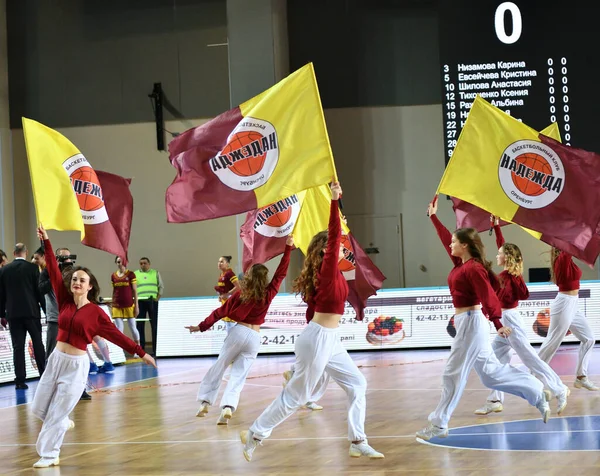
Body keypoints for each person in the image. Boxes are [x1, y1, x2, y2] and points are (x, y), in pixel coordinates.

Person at [241, 182, 384, 462]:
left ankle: (357, 441)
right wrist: (333, 200)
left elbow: (313, 314)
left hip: (326, 339)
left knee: (357, 385)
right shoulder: (328, 269)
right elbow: (333, 236)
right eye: (338, 245)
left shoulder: (334, 275)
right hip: (319, 338)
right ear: (325, 250)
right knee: (296, 397)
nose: (343, 247)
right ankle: (255, 433)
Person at [415, 197, 552, 441]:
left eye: (455, 242)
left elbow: (488, 296)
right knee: (490, 373)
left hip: (470, 321)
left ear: (466, 245)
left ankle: (439, 424)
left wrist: (498, 323)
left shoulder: (473, 268)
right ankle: (537, 392)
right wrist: (434, 217)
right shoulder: (462, 263)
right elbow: (446, 237)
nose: (450, 245)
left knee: (452, 374)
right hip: (468, 322)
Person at [31, 225, 156, 468]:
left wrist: (142, 353)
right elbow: (55, 271)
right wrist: (46, 241)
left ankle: (49, 454)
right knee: (38, 408)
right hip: (56, 359)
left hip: (76, 366)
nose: (77, 282)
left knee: (57, 413)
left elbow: (118, 337)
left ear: (90, 286)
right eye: (75, 279)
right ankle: (63, 423)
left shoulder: (96, 314)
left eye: (82, 280)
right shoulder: (64, 299)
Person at [185, 236, 294, 425]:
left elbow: (220, 311)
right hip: (255, 337)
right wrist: (288, 248)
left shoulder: (241, 293)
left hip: (238, 332)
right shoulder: (269, 292)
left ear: (250, 276)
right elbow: (281, 273)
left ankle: (205, 402)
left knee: (220, 366)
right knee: (239, 375)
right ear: (265, 278)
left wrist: (201, 326)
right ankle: (227, 407)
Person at [474, 219, 569, 416]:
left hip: (510, 322)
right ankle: (494, 399)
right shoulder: (508, 275)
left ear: (506, 258)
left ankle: (559, 389)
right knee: (495, 358)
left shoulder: (508, 277)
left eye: (500, 254)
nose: (497, 255)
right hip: (508, 320)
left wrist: (486, 313)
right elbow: (504, 246)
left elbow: (509, 299)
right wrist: (497, 227)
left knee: (530, 358)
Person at [537, 247, 598, 391]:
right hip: (563, 303)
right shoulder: (561, 260)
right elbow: (572, 245)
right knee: (552, 342)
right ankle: (533, 376)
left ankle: (581, 377)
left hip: (573, 303)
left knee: (589, 339)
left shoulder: (566, 260)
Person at [0, 243, 46, 389]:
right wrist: (45, 310)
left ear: (14, 253)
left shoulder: (4, 270)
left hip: (13, 314)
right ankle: (43, 375)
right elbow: (39, 292)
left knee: (18, 347)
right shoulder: (33, 268)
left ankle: (20, 380)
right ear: (26, 253)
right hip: (32, 313)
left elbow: (1, 295)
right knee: (38, 344)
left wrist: (2, 315)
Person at [135, 257, 164, 355]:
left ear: (149, 264)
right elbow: (132, 288)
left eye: (145, 263)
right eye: (141, 263)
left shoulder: (155, 273)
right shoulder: (135, 274)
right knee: (139, 325)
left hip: (152, 301)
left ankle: (156, 349)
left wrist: (157, 298)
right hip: (140, 302)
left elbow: (161, 286)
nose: (143, 265)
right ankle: (141, 348)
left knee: (155, 325)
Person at [111, 256, 141, 350]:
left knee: (133, 328)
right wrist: (112, 303)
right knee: (119, 329)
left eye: (122, 262)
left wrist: (136, 306)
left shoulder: (131, 274)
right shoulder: (113, 276)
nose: (121, 264)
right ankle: (119, 350)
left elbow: (135, 291)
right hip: (117, 305)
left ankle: (138, 348)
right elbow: (114, 290)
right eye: (119, 262)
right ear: (116, 263)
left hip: (129, 305)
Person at [215, 255, 241, 334]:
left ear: (227, 264)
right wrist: (221, 296)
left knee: (231, 328)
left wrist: (227, 294)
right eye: (219, 261)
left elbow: (238, 287)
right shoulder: (222, 274)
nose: (219, 263)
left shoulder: (230, 273)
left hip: (231, 304)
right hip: (225, 304)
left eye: (222, 261)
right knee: (228, 328)